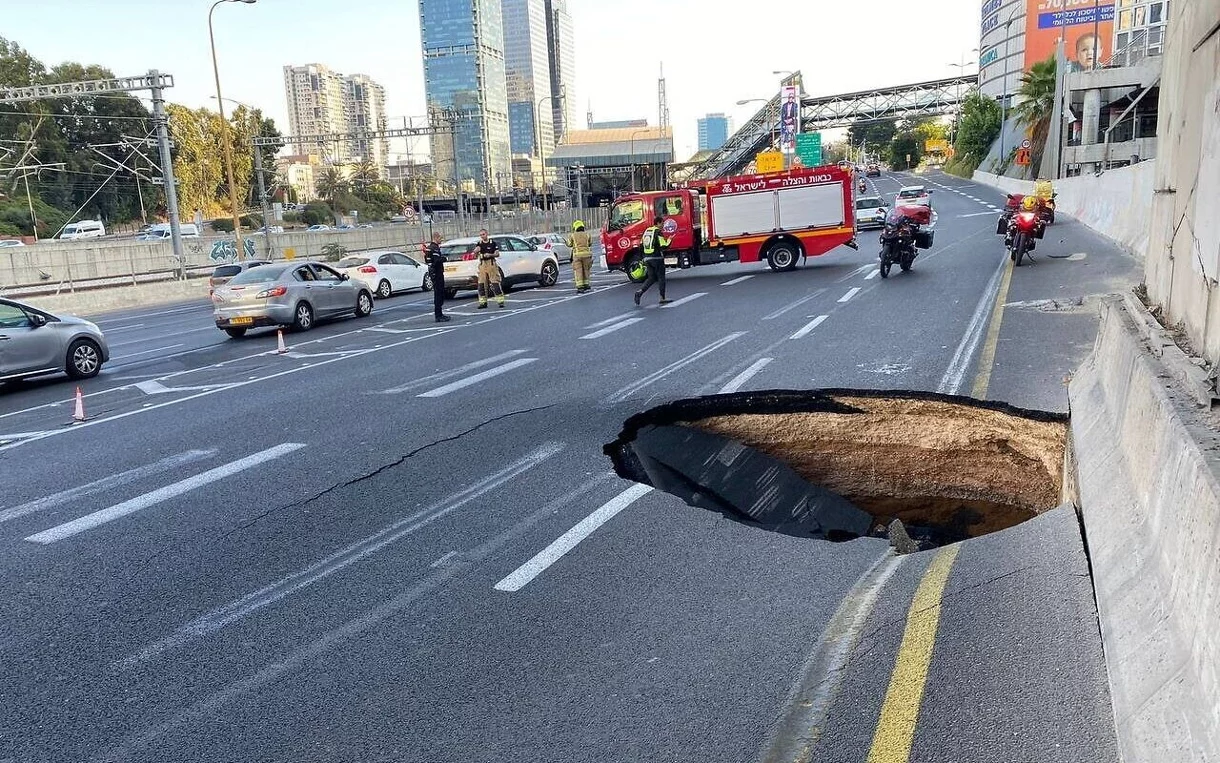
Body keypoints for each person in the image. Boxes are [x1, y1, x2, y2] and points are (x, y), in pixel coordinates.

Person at [634, 216, 671, 306]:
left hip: (647, 259)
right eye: (662, 223)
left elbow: (641, 245)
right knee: (661, 277)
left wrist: (642, 257)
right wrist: (670, 240)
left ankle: (639, 292)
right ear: (658, 223)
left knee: (651, 278)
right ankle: (662, 298)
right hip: (657, 258)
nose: (663, 225)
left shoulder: (647, 231)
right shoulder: (658, 232)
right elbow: (663, 246)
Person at [422, 232, 450, 322]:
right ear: (436, 238)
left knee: (439, 293)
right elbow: (437, 260)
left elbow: (427, 260)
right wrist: (445, 259)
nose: (441, 240)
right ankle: (438, 315)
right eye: (440, 238)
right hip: (437, 272)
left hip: (433, 272)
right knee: (439, 294)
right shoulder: (434, 248)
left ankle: (439, 314)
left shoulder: (429, 248)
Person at [475, 229, 505, 309]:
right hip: (482, 265)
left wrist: (490, 255)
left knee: (495, 283)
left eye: (483, 234)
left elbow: (497, 253)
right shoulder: (479, 244)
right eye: (481, 235)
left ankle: (500, 301)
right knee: (481, 284)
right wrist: (476, 251)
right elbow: (475, 254)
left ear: (487, 234)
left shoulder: (492, 243)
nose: (482, 236)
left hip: (491, 264)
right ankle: (483, 303)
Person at [566, 220, 594, 293]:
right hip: (587, 255)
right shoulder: (587, 234)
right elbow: (590, 243)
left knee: (578, 271)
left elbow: (569, 244)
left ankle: (580, 286)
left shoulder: (572, 235)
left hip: (577, 255)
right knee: (586, 270)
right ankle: (586, 284)